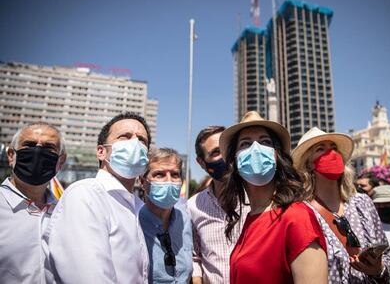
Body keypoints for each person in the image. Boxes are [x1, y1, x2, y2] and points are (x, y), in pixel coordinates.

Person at [220, 111, 328, 284]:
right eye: (245, 143)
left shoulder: (296, 217)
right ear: (235, 160)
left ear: (277, 156)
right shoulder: (250, 217)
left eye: (265, 142)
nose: (256, 148)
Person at [43, 112, 151, 283]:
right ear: (101, 152)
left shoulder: (137, 206)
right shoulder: (86, 195)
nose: (135, 144)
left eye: (142, 140)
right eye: (125, 137)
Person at [292, 127, 390, 283]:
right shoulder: (301, 211)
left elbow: (386, 257)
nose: (331, 154)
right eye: (321, 149)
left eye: (334, 148)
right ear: (309, 164)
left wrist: (378, 270)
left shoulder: (363, 203)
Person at [0, 122, 66, 283]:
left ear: (60, 161)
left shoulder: (66, 212)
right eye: (29, 145)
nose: (38, 151)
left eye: (49, 147)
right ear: (11, 155)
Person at [187, 126, 248, 284]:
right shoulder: (193, 206)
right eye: (215, 152)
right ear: (201, 162)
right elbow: (195, 256)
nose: (224, 156)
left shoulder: (256, 197)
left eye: (227, 149)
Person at [139, 147, 192, 283]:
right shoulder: (134, 223)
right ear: (143, 182)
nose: (169, 181)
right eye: (159, 174)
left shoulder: (185, 219)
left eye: (174, 174)